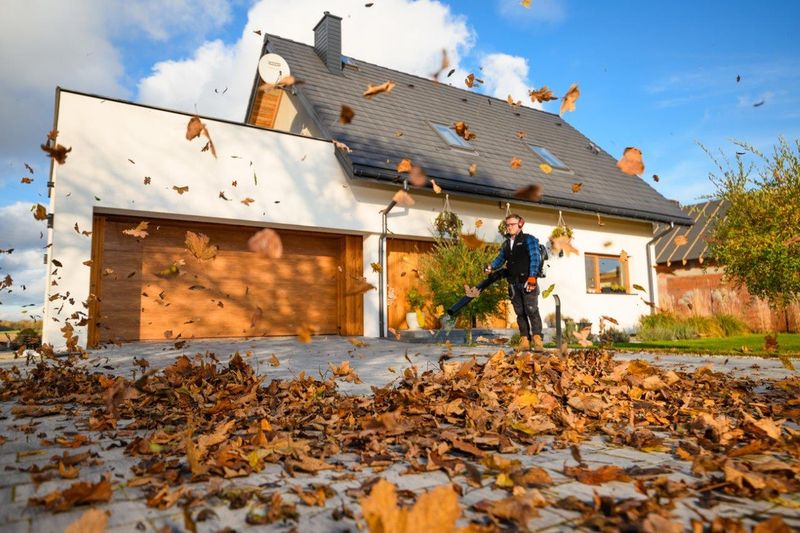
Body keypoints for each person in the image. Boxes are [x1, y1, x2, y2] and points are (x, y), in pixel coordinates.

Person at [485, 214, 543, 352]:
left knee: (531, 310)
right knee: (520, 313)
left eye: (512, 224)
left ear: (520, 224)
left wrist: (532, 277)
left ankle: (537, 339)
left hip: (528, 282)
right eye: (508, 225)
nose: (509, 227)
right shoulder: (506, 244)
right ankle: (524, 340)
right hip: (513, 284)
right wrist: (491, 267)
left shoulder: (529, 239)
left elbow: (535, 258)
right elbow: (500, 259)